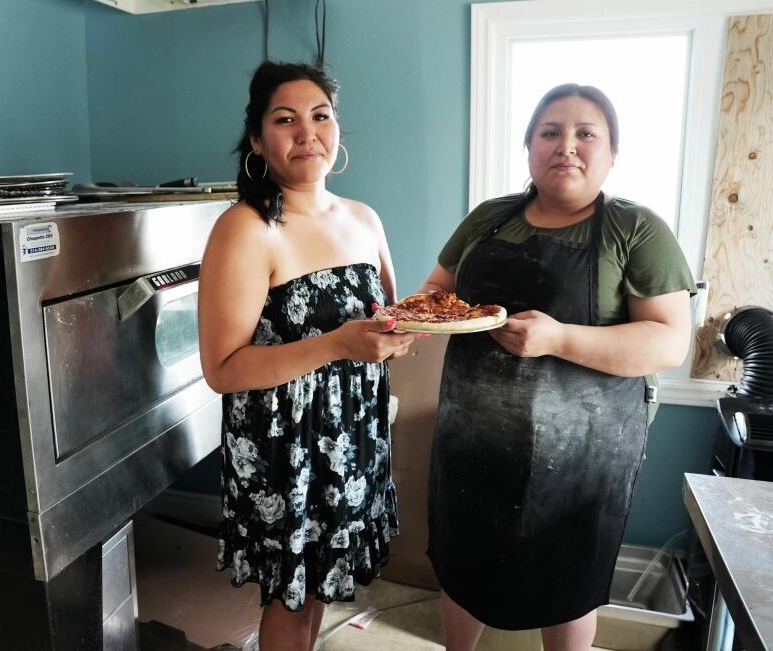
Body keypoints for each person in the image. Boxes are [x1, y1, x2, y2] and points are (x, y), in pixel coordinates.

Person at [416, 83, 696, 651]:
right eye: (550, 132)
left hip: (583, 459)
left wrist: (559, 339)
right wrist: (404, 324)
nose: (566, 146)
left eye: (586, 133)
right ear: (529, 148)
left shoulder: (635, 230)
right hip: (471, 443)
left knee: (568, 579)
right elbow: (433, 293)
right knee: (462, 563)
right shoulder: (488, 219)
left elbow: (669, 342)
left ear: (612, 153)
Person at [198, 61, 417, 651]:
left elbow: (388, 320)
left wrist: (396, 337)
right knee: (290, 602)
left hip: (352, 436)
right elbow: (223, 369)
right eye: (285, 119)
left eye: (320, 116)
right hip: (285, 449)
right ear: (257, 139)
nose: (306, 132)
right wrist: (338, 344)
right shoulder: (245, 229)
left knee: (317, 590)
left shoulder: (364, 219)